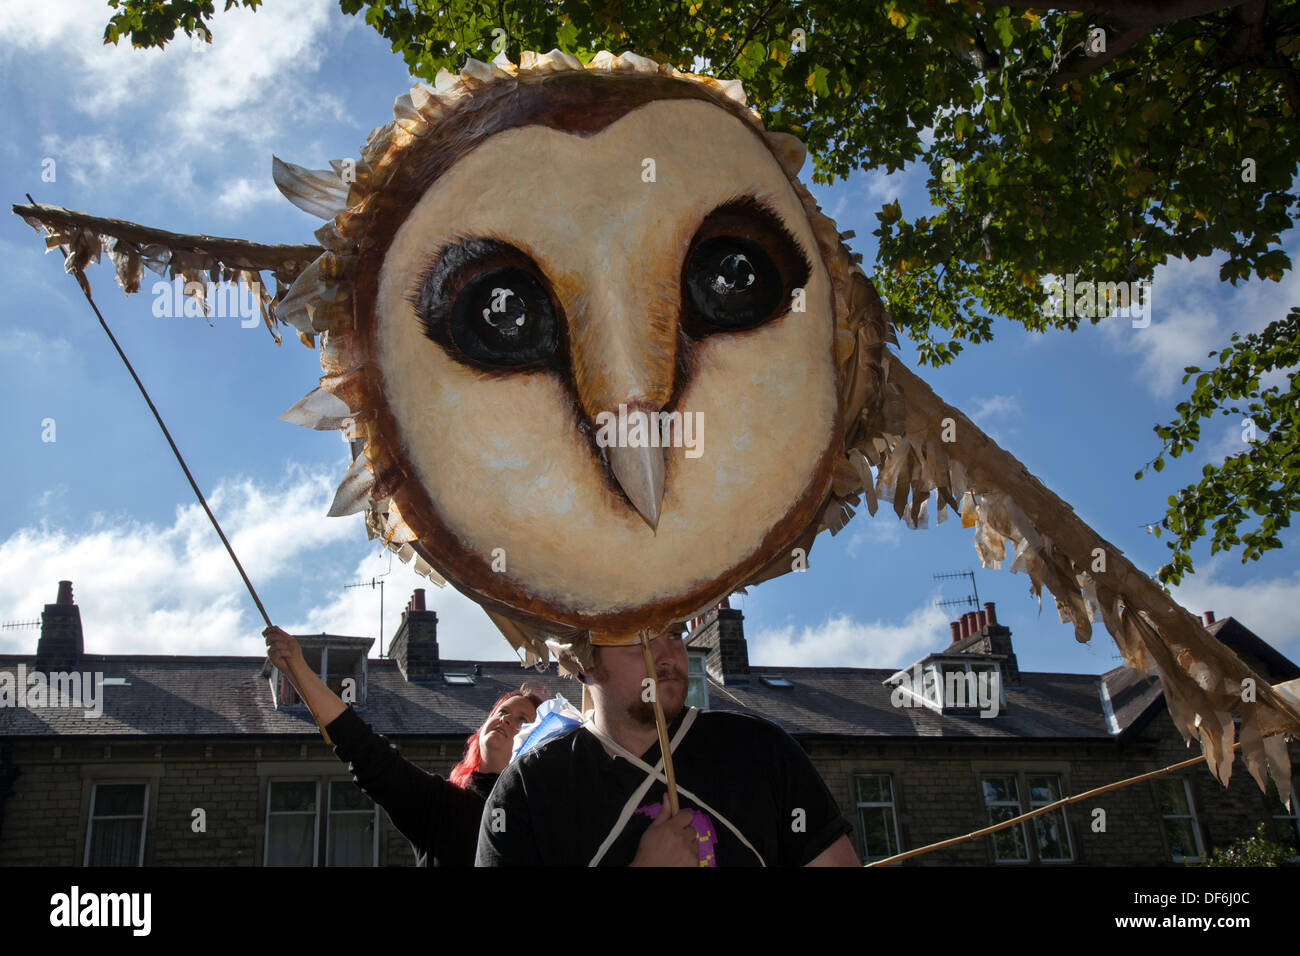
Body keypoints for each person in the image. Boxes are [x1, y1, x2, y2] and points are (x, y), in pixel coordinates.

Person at [475, 625, 860, 866]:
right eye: (637, 638)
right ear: (585, 660)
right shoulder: (526, 791)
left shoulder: (762, 749)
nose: (667, 656)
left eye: (674, 633)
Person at [264, 625, 541, 866]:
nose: (505, 720)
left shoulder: (540, 818)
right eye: (501, 712)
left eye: (522, 720)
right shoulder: (440, 806)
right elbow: (364, 750)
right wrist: (297, 668)